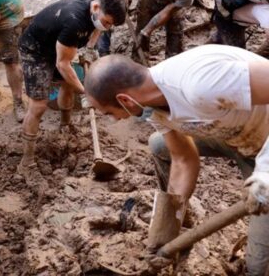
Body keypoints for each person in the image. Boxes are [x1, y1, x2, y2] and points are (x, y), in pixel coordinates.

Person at [84, 45, 269, 276]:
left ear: (125, 100)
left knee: (258, 262)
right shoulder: (153, 107)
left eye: (110, 113)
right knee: (160, 145)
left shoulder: (199, 82)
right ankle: (182, 217)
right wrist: (166, 230)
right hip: (240, 139)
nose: (116, 120)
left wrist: (266, 170)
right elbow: (183, 159)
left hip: (264, 152)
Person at [18, 0, 128, 179]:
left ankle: (65, 125)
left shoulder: (97, 4)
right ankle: (26, 161)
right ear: (95, 7)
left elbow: (97, 28)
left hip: (58, 44)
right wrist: (86, 93)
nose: (107, 27)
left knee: (68, 83)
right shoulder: (74, 21)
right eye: (107, 22)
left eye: (111, 25)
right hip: (35, 49)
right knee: (39, 105)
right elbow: (63, 64)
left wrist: (90, 48)